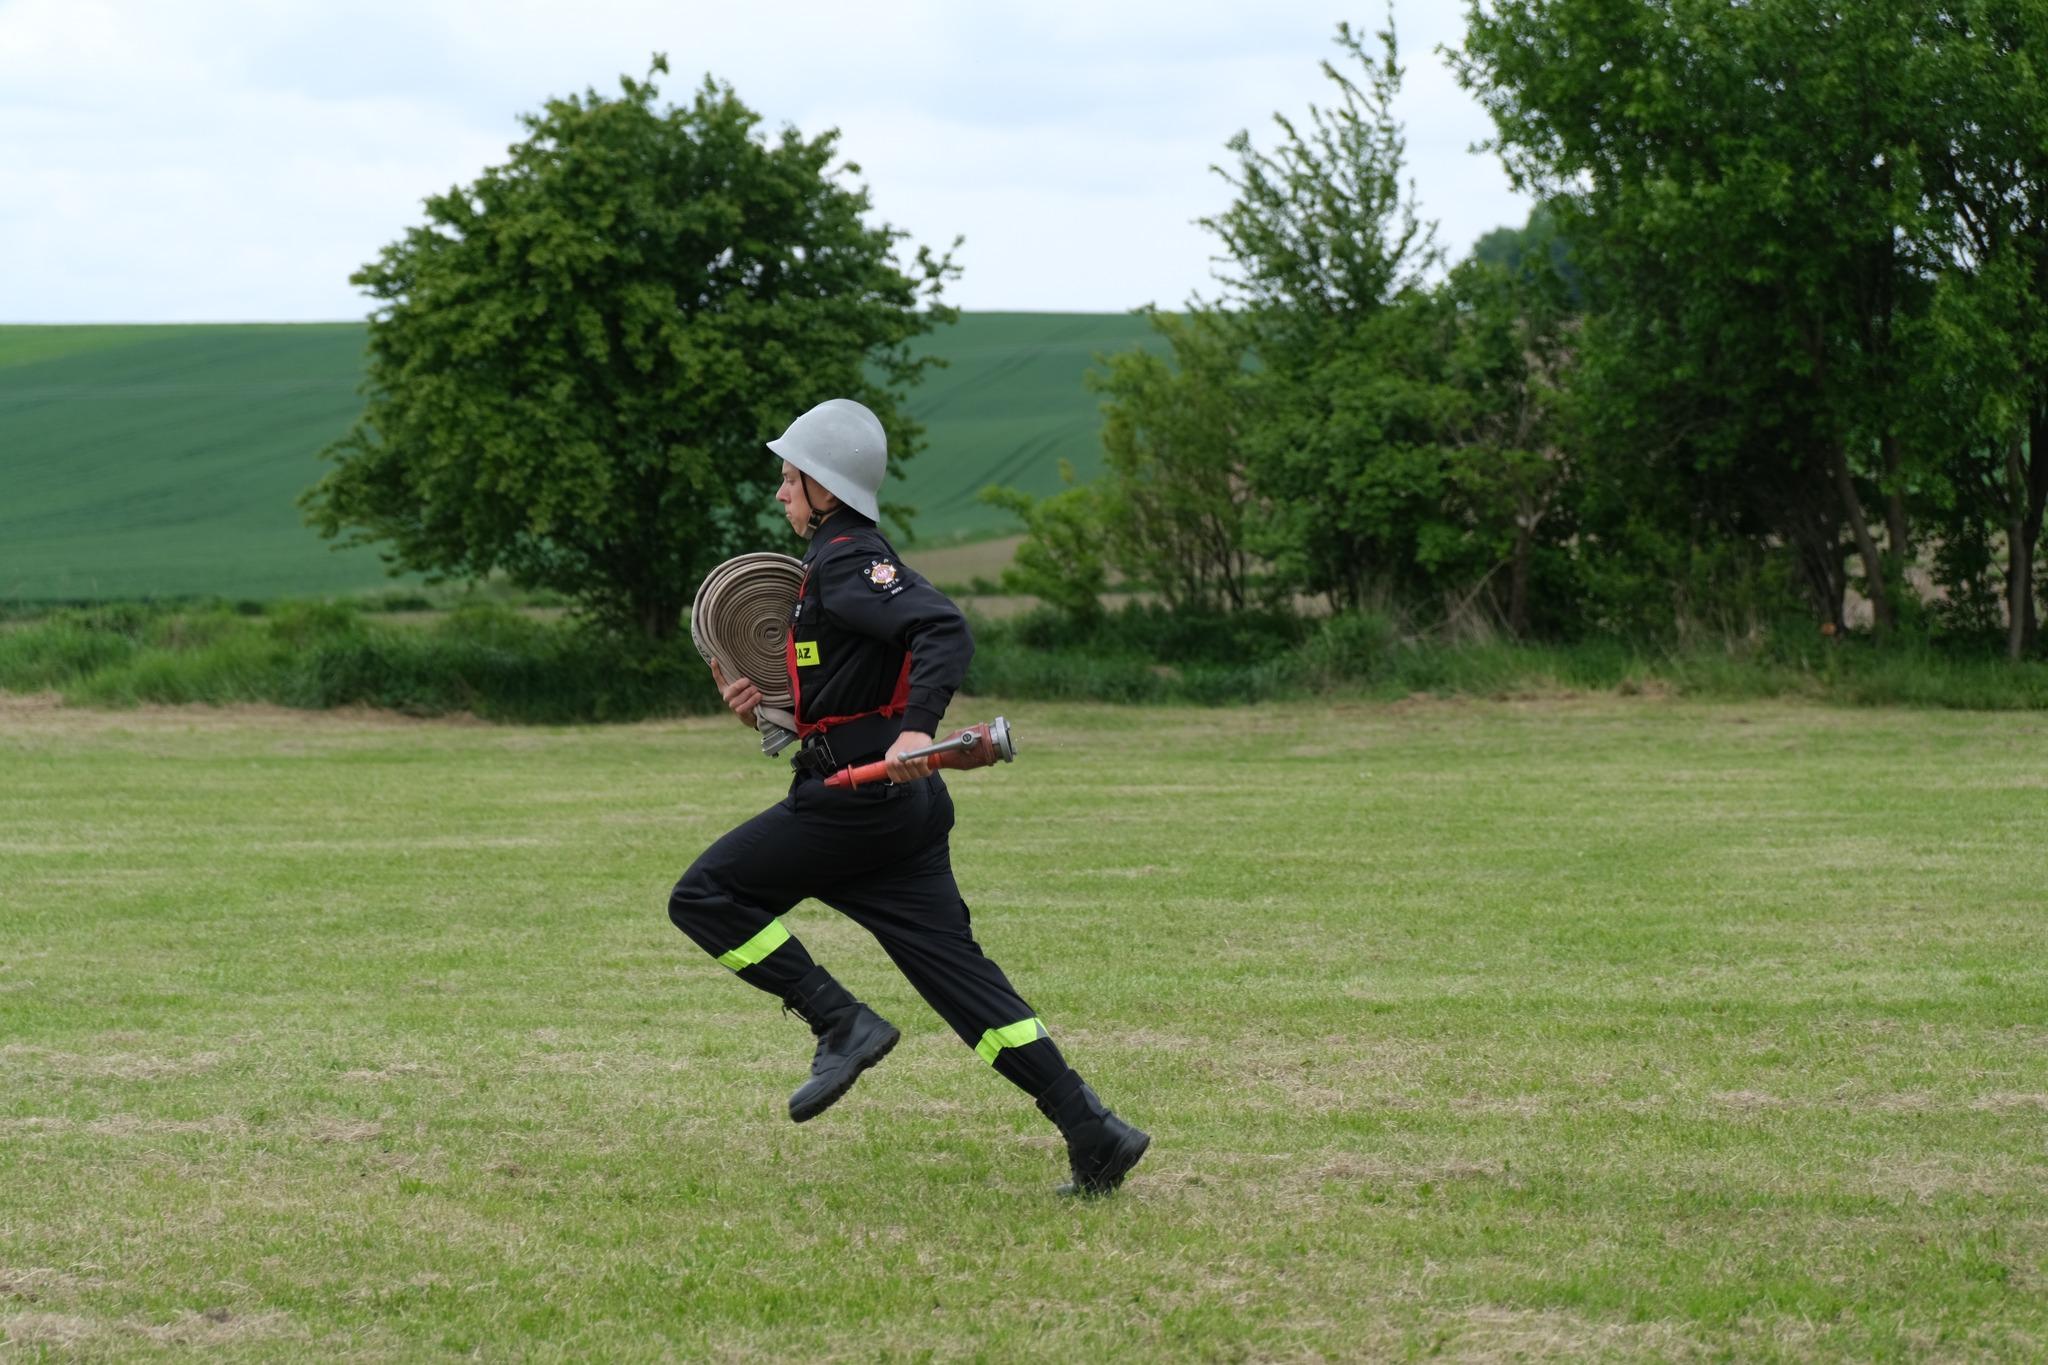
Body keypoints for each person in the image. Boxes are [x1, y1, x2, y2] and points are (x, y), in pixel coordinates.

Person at [668, 397, 1149, 1197]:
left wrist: (915, 730)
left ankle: (840, 1021)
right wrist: (769, 711)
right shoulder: (834, 565)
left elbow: (943, 630)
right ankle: (1094, 1130)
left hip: (856, 806)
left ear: (825, 488)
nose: (780, 492)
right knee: (963, 983)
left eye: (789, 477)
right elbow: (847, 686)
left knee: (705, 896)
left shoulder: (849, 562)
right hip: (895, 812)